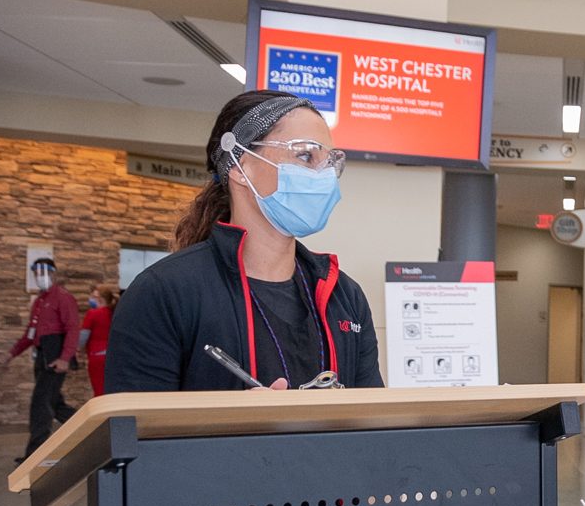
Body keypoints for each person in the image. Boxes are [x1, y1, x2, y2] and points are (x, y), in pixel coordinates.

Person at [105, 90, 383, 392]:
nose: (324, 175)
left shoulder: (344, 297)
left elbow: (371, 414)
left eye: (330, 162)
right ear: (240, 166)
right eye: (305, 156)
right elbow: (133, 420)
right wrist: (240, 417)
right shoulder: (164, 292)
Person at [0, 258, 80, 461]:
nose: (39, 278)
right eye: (36, 274)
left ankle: (35, 455)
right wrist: (12, 353)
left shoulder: (63, 297)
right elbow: (30, 333)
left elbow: (72, 329)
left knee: (41, 405)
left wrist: (64, 358)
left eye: (43, 274)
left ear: (53, 274)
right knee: (54, 404)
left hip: (54, 358)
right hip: (41, 357)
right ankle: (88, 427)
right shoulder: (40, 301)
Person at [79, 284, 118, 397]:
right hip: (114, 356)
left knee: (99, 390)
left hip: (97, 356)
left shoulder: (92, 314)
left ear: (101, 300)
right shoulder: (115, 313)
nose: (91, 299)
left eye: (94, 297)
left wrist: (75, 348)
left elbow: (83, 337)